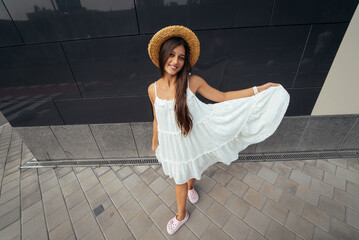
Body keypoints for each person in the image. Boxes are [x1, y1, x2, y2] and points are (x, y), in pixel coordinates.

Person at [147, 25, 290, 235]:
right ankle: (184, 206)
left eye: (181, 57)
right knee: (180, 174)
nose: (175, 61)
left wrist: (259, 89)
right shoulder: (153, 89)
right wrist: (154, 141)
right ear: (162, 56)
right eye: (171, 55)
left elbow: (222, 97)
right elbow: (157, 118)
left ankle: (183, 208)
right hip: (171, 144)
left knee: (192, 167)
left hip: (191, 138)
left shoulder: (191, 82)